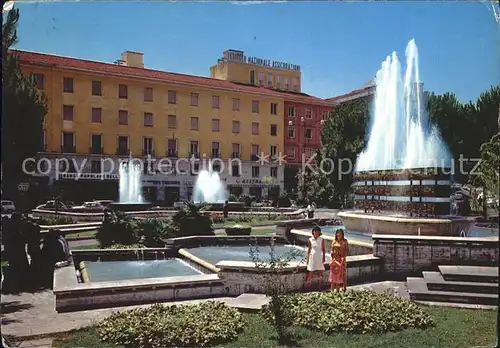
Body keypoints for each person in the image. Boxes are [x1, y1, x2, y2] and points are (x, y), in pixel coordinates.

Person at [305, 226, 326, 290]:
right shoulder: (310, 239)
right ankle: (307, 286)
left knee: (320, 272)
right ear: (313, 232)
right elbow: (309, 250)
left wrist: (324, 258)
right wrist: (307, 259)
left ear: (319, 232)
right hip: (312, 258)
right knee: (310, 273)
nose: (316, 232)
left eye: (317, 231)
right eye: (315, 231)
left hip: (319, 257)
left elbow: (323, 249)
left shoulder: (321, 239)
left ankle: (319, 286)